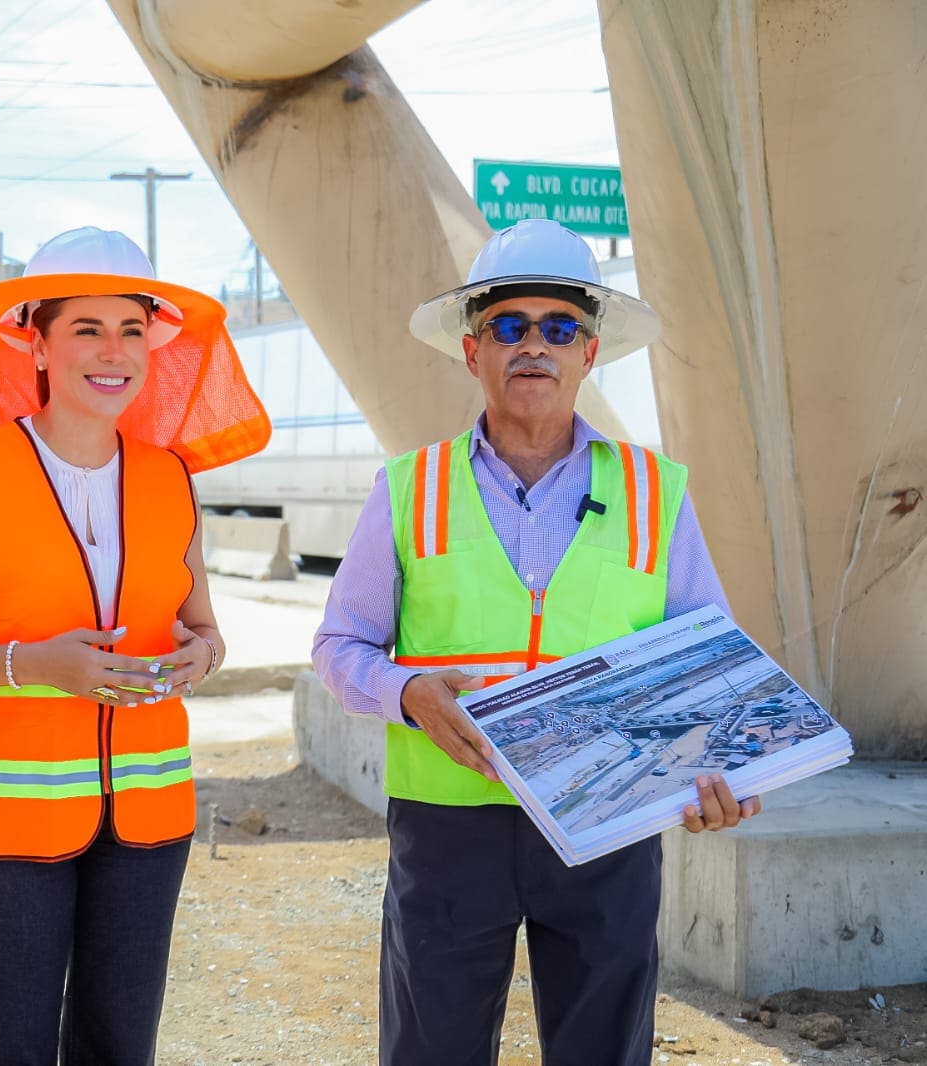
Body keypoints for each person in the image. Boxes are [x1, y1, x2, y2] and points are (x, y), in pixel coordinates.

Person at [311, 218, 761, 1065]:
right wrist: (405, 692)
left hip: (608, 821)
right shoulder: (410, 489)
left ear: (589, 353)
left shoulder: (652, 492)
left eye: (559, 328)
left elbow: (713, 664)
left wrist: (726, 769)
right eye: (508, 327)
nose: (533, 346)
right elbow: (340, 644)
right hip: (450, 827)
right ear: (472, 350)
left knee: (602, 1048)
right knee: (429, 1047)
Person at [0, 227, 269, 1064]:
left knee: (120, 1043)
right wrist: (32, 667)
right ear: (38, 342)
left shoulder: (170, 478)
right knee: (12, 1044)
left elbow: (203, 629)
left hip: (149, 819)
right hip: (6, 826)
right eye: (87, 329)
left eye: (132, 330)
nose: (115, 351)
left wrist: (198, 657)